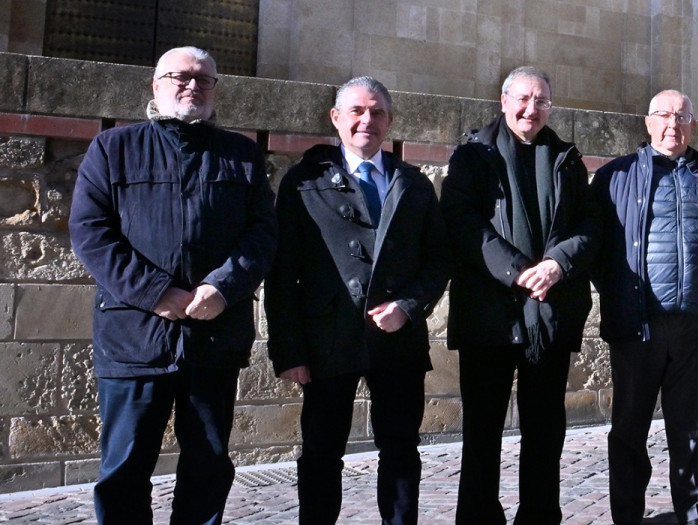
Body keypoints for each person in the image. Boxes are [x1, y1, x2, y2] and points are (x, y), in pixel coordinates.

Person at [68, 46, 277, 525]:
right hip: (133, 338)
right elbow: (91, 233)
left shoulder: (242, 154)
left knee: (208, 464)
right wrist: (155, 292)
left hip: (214, 336)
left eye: (204, 80)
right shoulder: (113, 148)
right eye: (180, 77)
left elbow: (263, 233)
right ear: (155, 85)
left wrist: (222, 288)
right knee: (124, 467)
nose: (192, 86)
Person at [265, 76, 449, 525]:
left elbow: (438, 261)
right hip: (327, 341)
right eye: (357, 111)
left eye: (378, 112)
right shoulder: (303, 181)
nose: (368, 120)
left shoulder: (414, 184)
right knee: (321, 453)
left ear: (389, 121)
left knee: (401, 450)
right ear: (336, 118)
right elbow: (281, 273)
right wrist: (289, 351)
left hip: (397, 343)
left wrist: (408, 306)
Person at [440, 66, 599, 524]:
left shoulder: (567, 158)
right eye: (524, 99)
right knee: (483, 434)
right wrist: (517, 271)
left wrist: (556, 265)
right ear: (504, 100)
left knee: (546, 433)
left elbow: (590, 227)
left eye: (542, 101)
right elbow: (463, 222)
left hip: (548, 315)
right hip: (490, 315)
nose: (532, 109)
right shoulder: (473, 155)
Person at [591, 89, 698, 525]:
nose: (672, 124)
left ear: (692, 125)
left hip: (693, 327)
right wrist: (621, 296)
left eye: (681, 116)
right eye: (663, 115)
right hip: (639, 327)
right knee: (629, 430)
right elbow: (597, 250)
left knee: (690, 431)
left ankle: (692, 516)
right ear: (647, 122)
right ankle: (628, 517)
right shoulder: (615, 176)